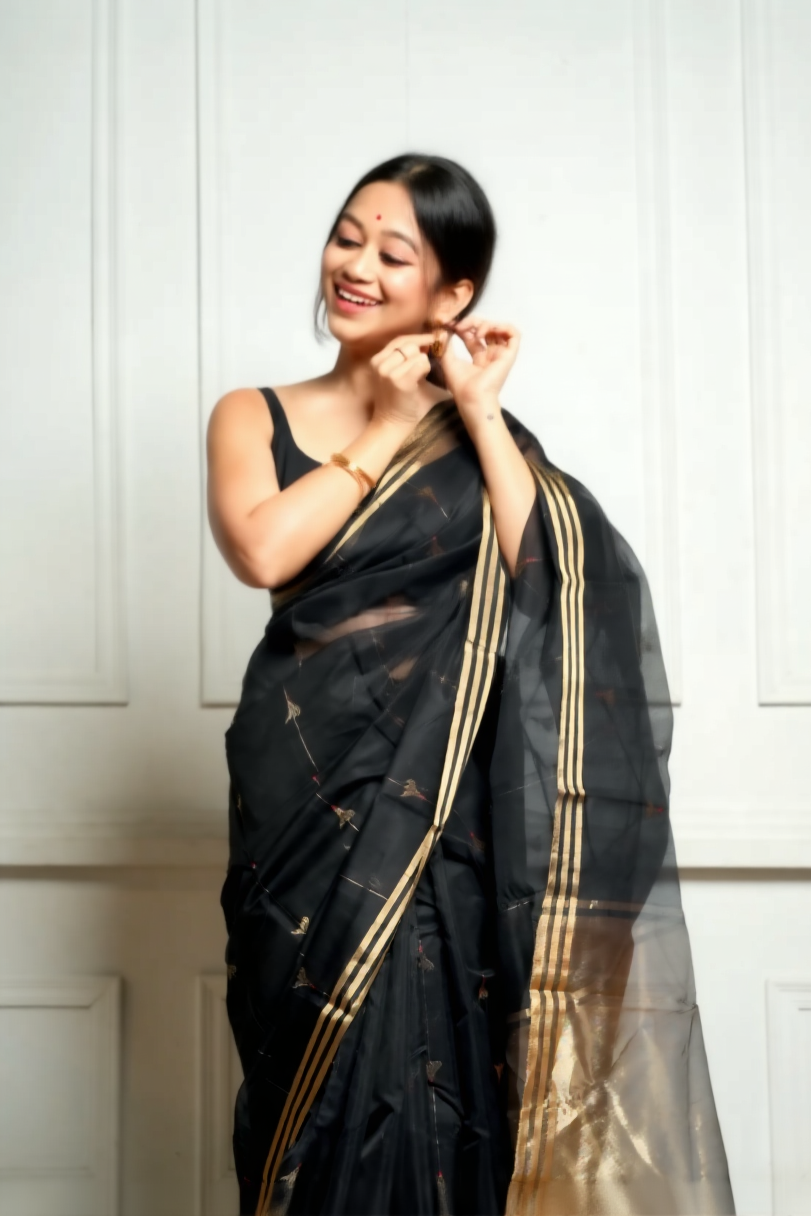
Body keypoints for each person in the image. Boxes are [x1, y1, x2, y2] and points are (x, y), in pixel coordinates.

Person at [206, 153, 735, 1216]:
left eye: (392, 254)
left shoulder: (474, 437)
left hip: (444, 824)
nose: (356, 266)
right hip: (307, 806)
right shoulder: (251, 412)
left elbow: (552, 574)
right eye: (347, 236)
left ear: (450, 296)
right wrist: (384, 427)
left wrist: (479, 410)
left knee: (445, 1095)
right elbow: (263, 551)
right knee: (308, 1098)